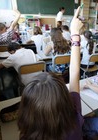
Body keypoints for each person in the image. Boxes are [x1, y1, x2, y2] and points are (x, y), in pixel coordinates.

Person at [17, 6, 84, 140]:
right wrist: (75, 34)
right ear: (65, 98)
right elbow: (75, 73)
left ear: (27, 112)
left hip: (56, 68)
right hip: (65, 69)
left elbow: (44, 54)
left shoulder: (28, 134)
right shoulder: (74, 119)